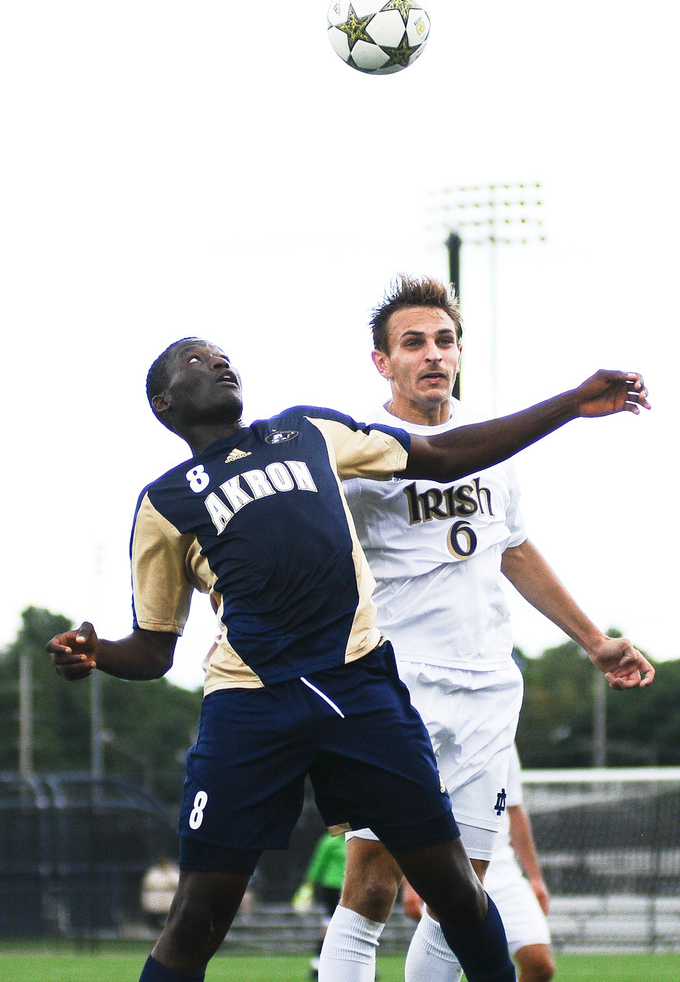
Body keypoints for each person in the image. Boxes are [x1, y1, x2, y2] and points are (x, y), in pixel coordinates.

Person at [45, 332, 651, 982]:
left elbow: (445, 457)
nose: (219, 361)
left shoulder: (306, 432)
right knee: (196, 919)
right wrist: (97, 653)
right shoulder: (166, 503)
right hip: (250, 708)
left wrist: (572, 402)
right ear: (164, 404)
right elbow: (153, 649)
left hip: (361, 692)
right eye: (196, 360)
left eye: (222, 354)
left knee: (455, 891)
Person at [317, 275, 654, 982]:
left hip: (487, 695)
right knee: (373, 883)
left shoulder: (491, 449)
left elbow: (515, 549)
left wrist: (595, 641)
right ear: (382, 361)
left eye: (445, 340)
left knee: (460, 895)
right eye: (413, 343)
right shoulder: (357, 450)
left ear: (460, 352)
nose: (432, 355)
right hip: (397, 689)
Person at [403, 744, 555, 982]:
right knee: (454, 955)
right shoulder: (431, 726)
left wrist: (535, 878)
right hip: (448, 865)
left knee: (540, 964)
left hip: (502, 868)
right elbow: (408, 804)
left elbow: (514, 809)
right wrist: (409, 883)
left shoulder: (503, 734)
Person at [293, 832, 348, 979]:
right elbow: (318, 863)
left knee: (350, 925)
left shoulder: (357, 839)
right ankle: (317, 964)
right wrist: (308, 886)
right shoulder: (330, 841)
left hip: (352, 887)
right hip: (333, 888)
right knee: (330, 925)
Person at [141, 856, 181, 932]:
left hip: (169, 905)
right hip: (155, 906)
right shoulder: (152, 873)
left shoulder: (172, 872)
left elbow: (177, 883)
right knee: (154, 929)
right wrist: (145, 903)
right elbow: (147, 888)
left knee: (169, 928)